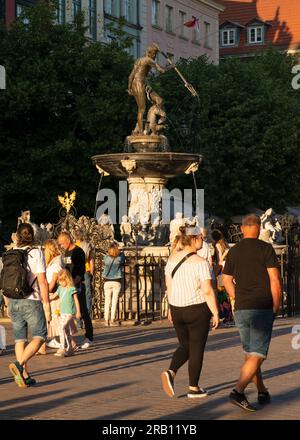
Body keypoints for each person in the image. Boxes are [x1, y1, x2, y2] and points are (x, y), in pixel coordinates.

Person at [222, 214, 282, 412]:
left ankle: (262, 390)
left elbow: (226, 278)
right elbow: (274, 279)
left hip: (242, 308)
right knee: (258, 353)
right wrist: (276, 305)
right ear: (257, 228)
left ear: (243, 228)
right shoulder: (266, 249)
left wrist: (234, 297)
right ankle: (238, 391)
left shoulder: (234, 250)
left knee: (250, 354)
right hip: (261, 306)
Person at [161, 225, 219, 399]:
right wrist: (215, 312)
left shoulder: (172, 259)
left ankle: (171, 371)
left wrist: (171, 307)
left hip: (177, 308)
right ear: (193, 239)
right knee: (196, 348)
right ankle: (193, 387)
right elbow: (207, 290)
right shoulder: (200, 263)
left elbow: (169, 285)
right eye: (201, 237)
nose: (203, 240)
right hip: (197, 309)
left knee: (185, 345)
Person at [5, 223, 50, 387]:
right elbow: (42, 281)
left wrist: (6, 302)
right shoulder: (36, 253)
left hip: (13, 299)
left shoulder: (10, 253)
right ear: (33, 235)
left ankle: (22, 375)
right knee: (40, 336)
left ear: (17, 236)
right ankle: (19, 364)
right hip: (31, 299)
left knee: (19, 339)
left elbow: (5, 280)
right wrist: (46, 304)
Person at [57, 231, 94, 349]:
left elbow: (80, 270)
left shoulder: (78, 252)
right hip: (68, 286)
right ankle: (71, 341)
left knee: (83, 311)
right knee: (68, 313)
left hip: (76, 285)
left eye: (62, 244)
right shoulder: (66, 252)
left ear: (67, 241)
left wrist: (72, 284)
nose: (61, 246)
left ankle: (89, 337)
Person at [128, 43, 168, 135]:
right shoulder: (149, 60)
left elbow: (130, 76)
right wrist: (172, 66)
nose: (155, 57)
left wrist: (129, 88)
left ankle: (153, 122)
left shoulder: (138, 60)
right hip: (139, 82)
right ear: (152, 54)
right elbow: (162, 70)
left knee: (159, 99)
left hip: (140, 83)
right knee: (142, 108)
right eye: (155, 55)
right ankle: (141, 132)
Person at [50, 269, 81, 357]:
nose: (61, 283)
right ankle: (70, 348)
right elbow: (54, 296)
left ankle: (62, 347)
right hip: (62, 312)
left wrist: (78, 311)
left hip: (69, 312)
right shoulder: (60, 288)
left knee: (61, 327)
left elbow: (76, 300)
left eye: (62, 280)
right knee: (66, 331)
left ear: (67, 279)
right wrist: (46, 298)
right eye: (59, 281)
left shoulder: (72, 289)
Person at [43, 239, 65, 351]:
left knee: (57, 318)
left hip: (54, 294)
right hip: (51, 293)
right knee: (54, 318)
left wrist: (44, 292)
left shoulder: (57, 262)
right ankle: (57, 340)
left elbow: (53, 282)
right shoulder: (54, 261)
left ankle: (62, 342)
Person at [74, 228, 95, 319]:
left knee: (75, 293)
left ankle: (78, 316)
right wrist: (92, 272)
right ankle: (87, 315)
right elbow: (91, 260)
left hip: (75, 271)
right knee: (87, 293)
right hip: (86, 271)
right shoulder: (87, 245)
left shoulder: (73, 246)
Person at [102, 243, 125, 326]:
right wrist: (121, 250)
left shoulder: (106, 258)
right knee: (114, 301)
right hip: (116, 281)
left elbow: (104, 256)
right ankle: (112, 320)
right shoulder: (119, 258)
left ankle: (106, 320)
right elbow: (123, 256)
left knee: (107, 301)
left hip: (107, 281)